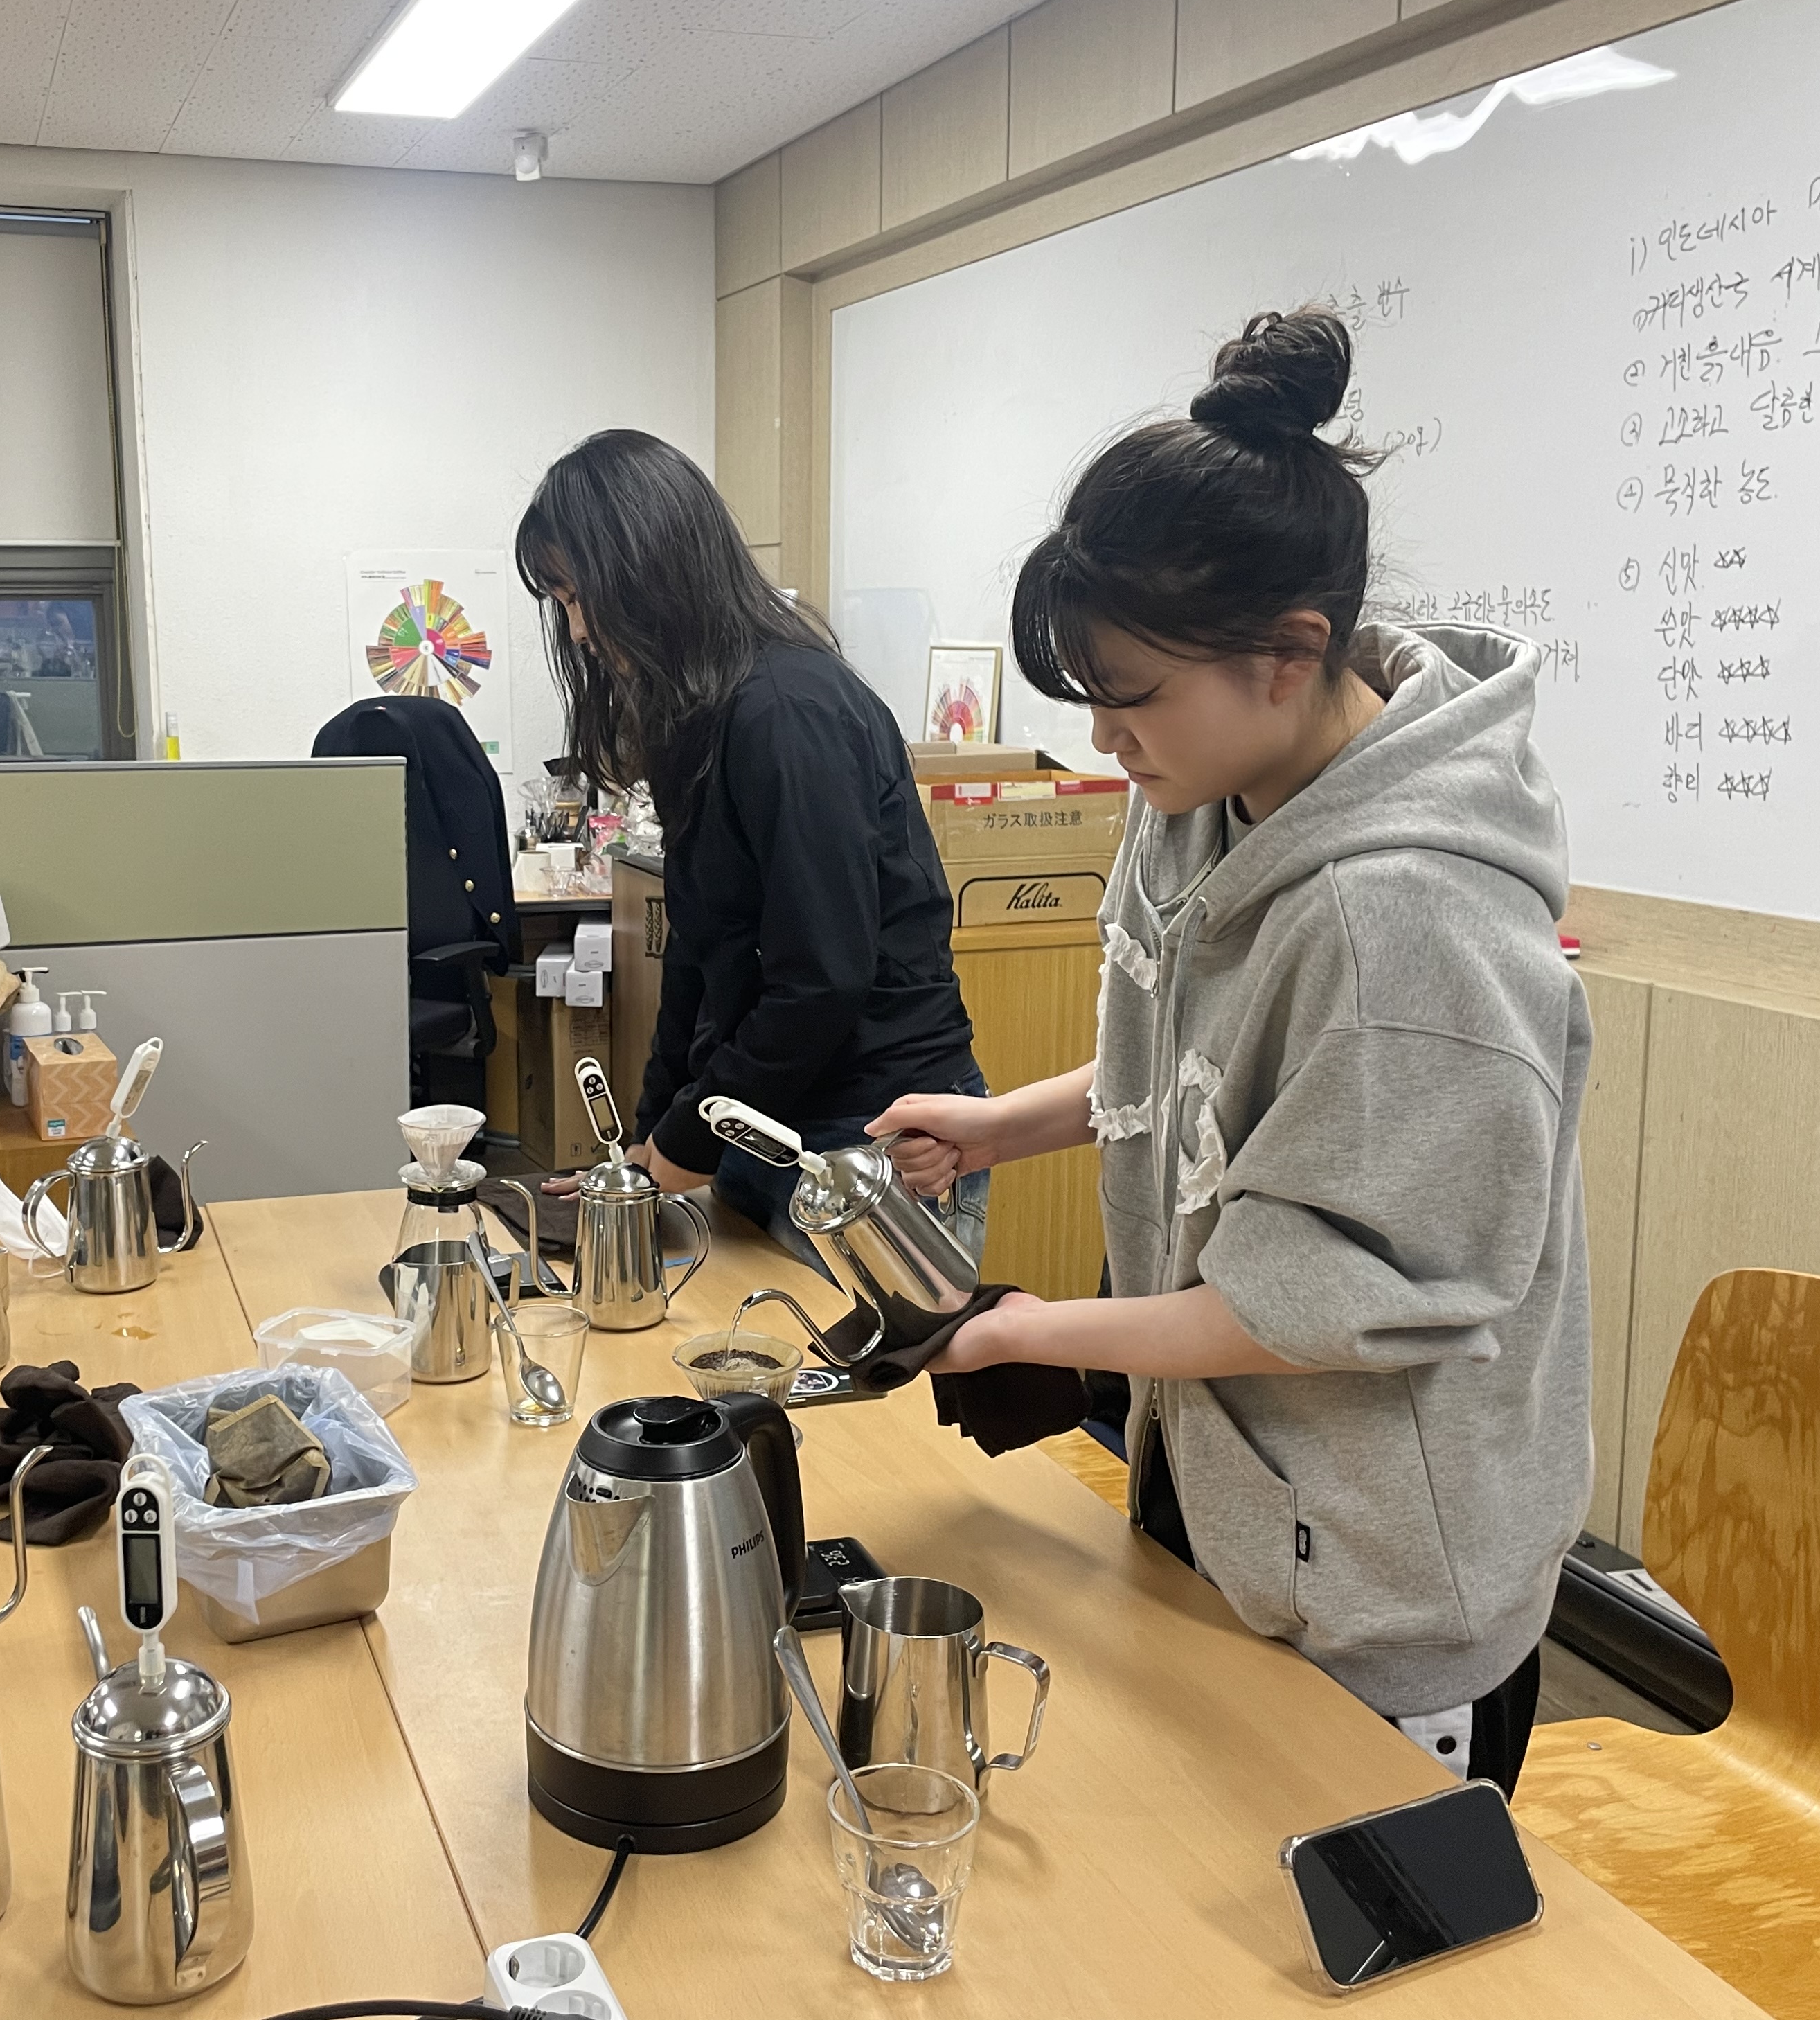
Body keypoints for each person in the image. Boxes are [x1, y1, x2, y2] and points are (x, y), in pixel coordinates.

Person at [872, 311, 1590, 1798]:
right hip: (1229, 1489)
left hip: (1382, 1586)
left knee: (1327, 1913)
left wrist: (1024, 1331)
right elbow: (1204, 1087)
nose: (1106, 740)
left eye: (1130, 698)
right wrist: (1005, 1126)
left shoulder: (1409, 924)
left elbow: (1311, 1296)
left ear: (1290, 652)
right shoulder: (1199, 787)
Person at [516, 429, 985, 1268]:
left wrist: (686, 1143)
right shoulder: (702, 715)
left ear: (648, 572)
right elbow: (700, 954)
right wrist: (651, 1138)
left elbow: (821, 979)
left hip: (870, 1133)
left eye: (581, 596)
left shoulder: (787, 710)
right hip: (767, 1115)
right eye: (562, 602)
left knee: (844, 1358)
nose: (578, 630)